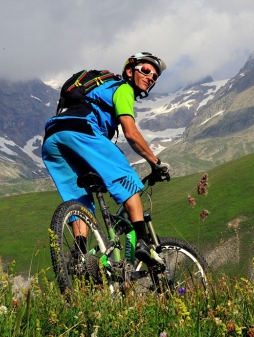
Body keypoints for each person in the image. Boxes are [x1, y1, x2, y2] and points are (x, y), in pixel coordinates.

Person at [41, 52, 170, 265]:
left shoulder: (100, 90)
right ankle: (143, 242)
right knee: (126, 178)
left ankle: (79, 257)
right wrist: (155, 163)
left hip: (53, 136)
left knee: (79, 200)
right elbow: (131, 133)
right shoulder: (123, 89)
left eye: (154, 77)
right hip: (81, 130)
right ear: (130, 72)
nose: (150, 78)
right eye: (146, 71)